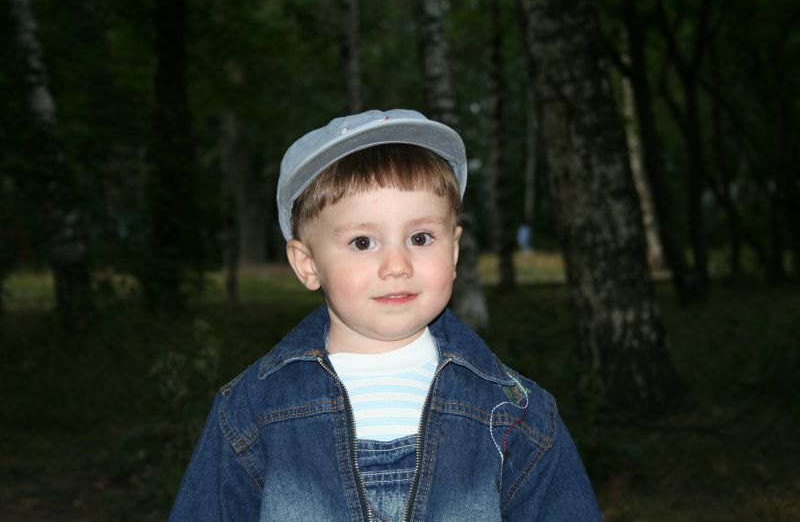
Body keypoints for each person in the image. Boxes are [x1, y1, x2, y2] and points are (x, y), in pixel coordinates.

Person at [169, 109, 601, 521]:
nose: (397, 266)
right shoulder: (252, 411)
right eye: (363, 242)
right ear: (308, 264)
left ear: (453, 251)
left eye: (420, 237)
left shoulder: (516, 414)